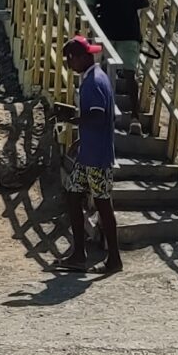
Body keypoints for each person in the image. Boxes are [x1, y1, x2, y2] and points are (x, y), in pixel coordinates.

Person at [56, 36, 122, 273]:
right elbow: (106, 117)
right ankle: (79, 253)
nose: (68, 64)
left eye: (69, 59)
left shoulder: (93, 83)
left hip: (97, 156)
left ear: (80, 58)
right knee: (73, 194)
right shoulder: (98, 78)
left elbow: (95, 115)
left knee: (104, 205)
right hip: (90, 153)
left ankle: (114, 259)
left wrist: (72, 120)